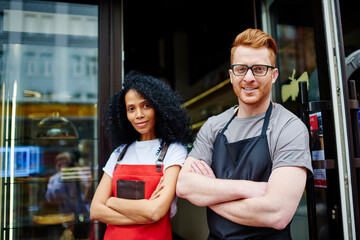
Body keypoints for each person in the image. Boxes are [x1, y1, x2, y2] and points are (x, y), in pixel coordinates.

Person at [176, 28, 313, 239]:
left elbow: (277, 213)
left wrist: (209, 194)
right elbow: (185, 186)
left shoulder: (289, 127)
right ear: (232, 75)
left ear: (274, 75)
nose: (248, 78)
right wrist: (250, 189)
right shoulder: (214, 126)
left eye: (259, 69)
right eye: (241, 69)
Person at [90, 71, 192, 240]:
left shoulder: (174, 151)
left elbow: (156, 211)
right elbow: (95, 210)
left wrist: (112, 202)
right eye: (131, 109)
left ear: (159, 107)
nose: (139, 115)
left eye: (146, 105)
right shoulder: (119, 153)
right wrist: (143, 213)